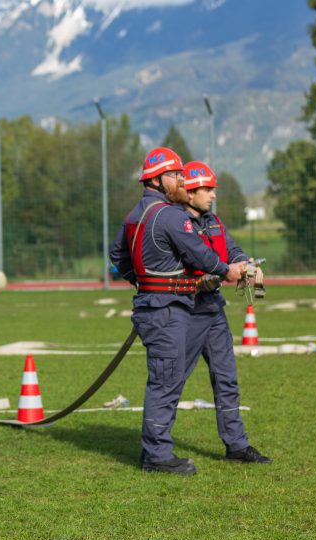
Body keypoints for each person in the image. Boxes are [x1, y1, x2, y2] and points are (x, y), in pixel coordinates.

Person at [109, 147, 245, 476]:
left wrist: (142, 281)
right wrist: (227, 270)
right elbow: (198, 254)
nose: (182, 181)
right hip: (168, 309)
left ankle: (164, 451)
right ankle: (156, 455)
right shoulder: (170, 215)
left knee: (167, 378)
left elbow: (117, 255)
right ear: (157, 180)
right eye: (176, 175)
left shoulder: (134, 215)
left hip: (157, 305)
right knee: (166, 381)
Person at [179, 161, 270, 465]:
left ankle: (237, 446)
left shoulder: (214, 222)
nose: (213, 194)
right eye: (207, 189)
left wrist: (245, 264)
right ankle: (157, 450)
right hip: (186, 311)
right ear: (189, 193)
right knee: (173, 380)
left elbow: (231, 249)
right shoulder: (176, 223)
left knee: (226, 378)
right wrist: (221, 271)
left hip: (213, 309)